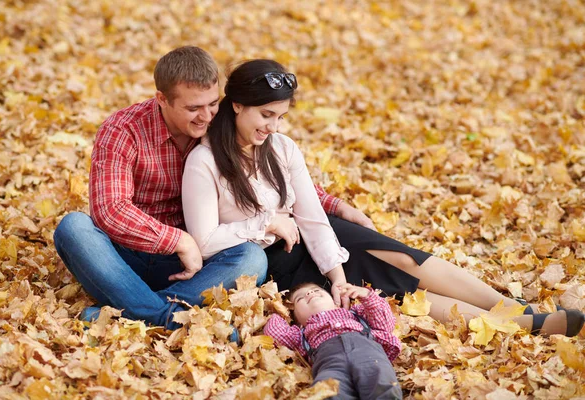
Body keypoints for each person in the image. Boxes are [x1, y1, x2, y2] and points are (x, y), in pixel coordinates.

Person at [182, 58, 584, 337]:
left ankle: (516, 308)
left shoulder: (283, 148)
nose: (273, 126)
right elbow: (204, 242)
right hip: (272, 261)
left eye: (281, 116)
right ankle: (517, 326)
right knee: (389, 292)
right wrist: (265, 223)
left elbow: (312, 218)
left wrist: (336, 275)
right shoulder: (205, 162)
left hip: (316, 240)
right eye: (265, 115)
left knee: (400, 257)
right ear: (237, 105)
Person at [52, 46, 360, 330]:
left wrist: (335, 205)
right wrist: (180, 241)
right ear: (162, 99)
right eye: (193, 108)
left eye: (213, 103)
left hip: (195, 265)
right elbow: (110, 210)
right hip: (125, 257)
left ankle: (139, 312)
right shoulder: (123, 130)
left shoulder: (218, 125)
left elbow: (270, 173)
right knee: (73, 227)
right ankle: (162, 314)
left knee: (252, 257)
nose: (206, 116)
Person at [264, 282, 403, 399]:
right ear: (297, 320)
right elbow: (275, 332)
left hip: (368, 354)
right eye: (300, 298)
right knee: (328, 392)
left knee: (382, 383)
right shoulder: (301, 334)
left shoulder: (356, 313)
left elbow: (385, 323)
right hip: (330, 364)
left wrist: (367, 296)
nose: (309, 294)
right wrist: (280, 311)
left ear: (335, 302)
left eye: (316, 290)